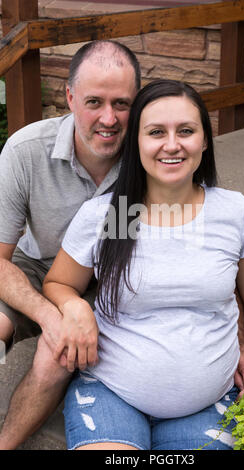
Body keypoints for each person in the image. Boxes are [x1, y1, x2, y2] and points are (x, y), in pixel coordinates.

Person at [43, 79, 244, 450]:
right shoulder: (115, 214)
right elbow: (58, 283)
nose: (172, 144)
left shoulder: (233, 213)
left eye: (186, 130)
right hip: (111, 395)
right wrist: (73, 305)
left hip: (208, 405)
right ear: (136, 141)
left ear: (204, 139)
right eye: (156, 132)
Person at [0, 40, 140, 450]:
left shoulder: (152, 154)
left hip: (111, 279)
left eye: (122, 104)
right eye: (94, 101)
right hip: (38, 266)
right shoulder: (27, 150)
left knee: (57, 352)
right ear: (70, 97)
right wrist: (51, 314)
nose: (109, 118)